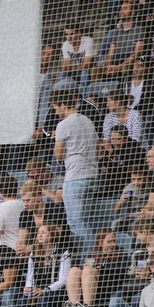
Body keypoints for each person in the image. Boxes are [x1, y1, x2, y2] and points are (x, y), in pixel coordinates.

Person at [52, 88, 99, 238]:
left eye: (56, 108)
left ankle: (87, 259)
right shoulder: (88, 121)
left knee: (75, 222)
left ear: (63, 105)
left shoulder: (63, 124)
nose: (56, 112)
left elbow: (58, 155)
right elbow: (98, 148)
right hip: (92, 176)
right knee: (86, 221)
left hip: (75, 178)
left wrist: (57, 140)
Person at [65, 229, 130, 307]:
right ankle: (73, 305)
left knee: (89, 270)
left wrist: (101, 268)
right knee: (74, 270)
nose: (113, 244)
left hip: (108, 286)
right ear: (100, 243)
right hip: (89, 286)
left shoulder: (121, 253)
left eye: (114, 241)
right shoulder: (92, 255)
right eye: (109, 242)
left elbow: (122, 269)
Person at [23, 225, 70, 307]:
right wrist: (29, 288)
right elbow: (30, 277)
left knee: (43, 299)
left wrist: (45, 290)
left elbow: (63, 280)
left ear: (52, 235)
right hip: (38, 290)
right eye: (38, 233)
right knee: (22, 300)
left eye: (43, 233)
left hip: (55, 291)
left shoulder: (63, 253)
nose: (40, 235)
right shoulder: (34, 254)